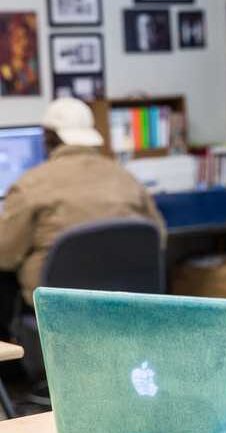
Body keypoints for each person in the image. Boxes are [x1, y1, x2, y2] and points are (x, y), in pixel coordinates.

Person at [0, 97, 166, 337]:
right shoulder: (126, 179)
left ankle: (13, 370)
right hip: (125, 306)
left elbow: (5, 255)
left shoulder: (30, 185)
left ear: (48, 138)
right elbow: (157, 238)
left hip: (59, 309)